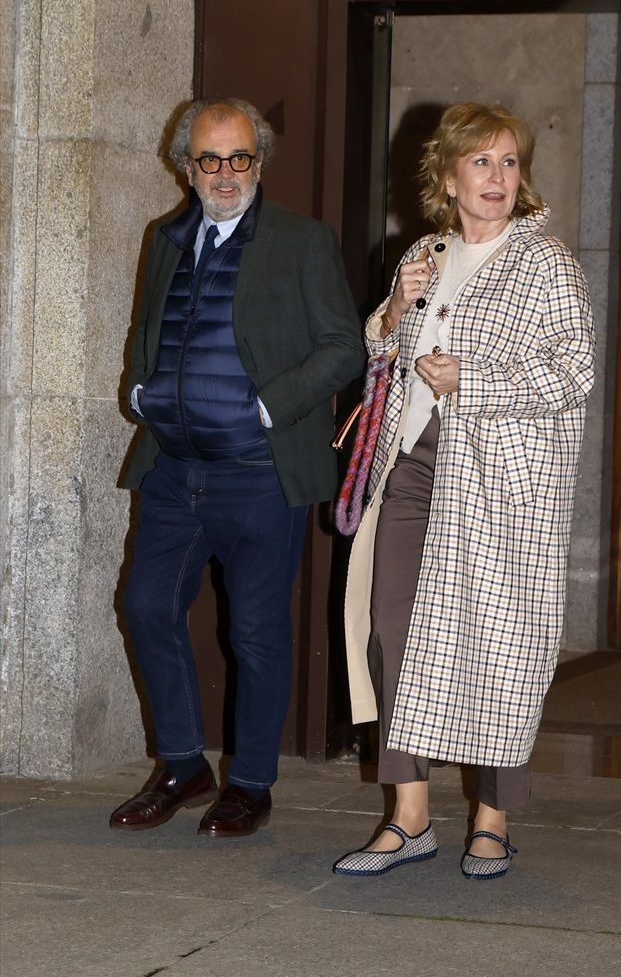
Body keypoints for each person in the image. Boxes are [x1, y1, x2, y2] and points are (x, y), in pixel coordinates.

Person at [335, 102, 595, 880]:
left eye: (509, 162)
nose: (498, 178)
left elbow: (573, 371)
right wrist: (392, 310)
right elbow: (384, 353)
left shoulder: (546, 264)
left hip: (502, 482)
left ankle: (492, 818)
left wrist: (472, 379)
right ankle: (409, 816)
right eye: (481, 163)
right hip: (414, 466)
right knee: (393, 631)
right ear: (446, 177)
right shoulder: (426, 251)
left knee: (501, 645)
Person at [111, 98, 365, 837]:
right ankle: (185, 765)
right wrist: (139, 386)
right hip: (174, 469)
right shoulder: (166, 237)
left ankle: (250, 781)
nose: (226, 174)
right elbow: (146, 327)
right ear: (185, 167)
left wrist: (265, 407)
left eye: (241, 158)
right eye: (210, 159)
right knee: (147, 607)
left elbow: (342, 347)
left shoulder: (301, 241)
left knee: (255, 631)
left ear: (261, 161)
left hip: (259, 473)